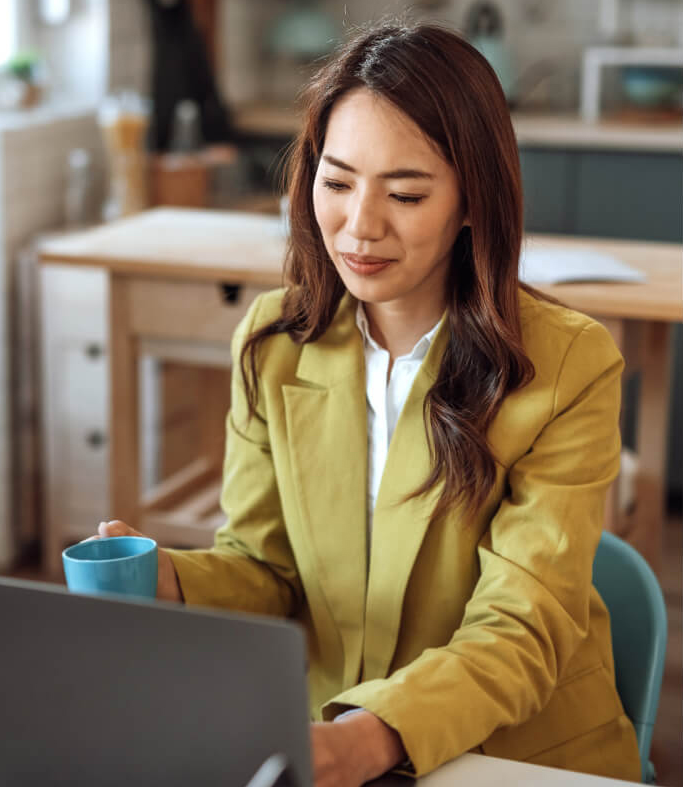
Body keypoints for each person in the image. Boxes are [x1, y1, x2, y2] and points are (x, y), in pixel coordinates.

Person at [94, 21, 641, 787]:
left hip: (516, 756)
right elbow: (267, 567)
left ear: (471, 202)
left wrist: (363, 739)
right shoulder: (273, 342)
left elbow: (519, 629)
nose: (359, 226)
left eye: (406, 193)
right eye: (337, 180)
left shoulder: (566, 364)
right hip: (330, 743)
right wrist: (170, 580)